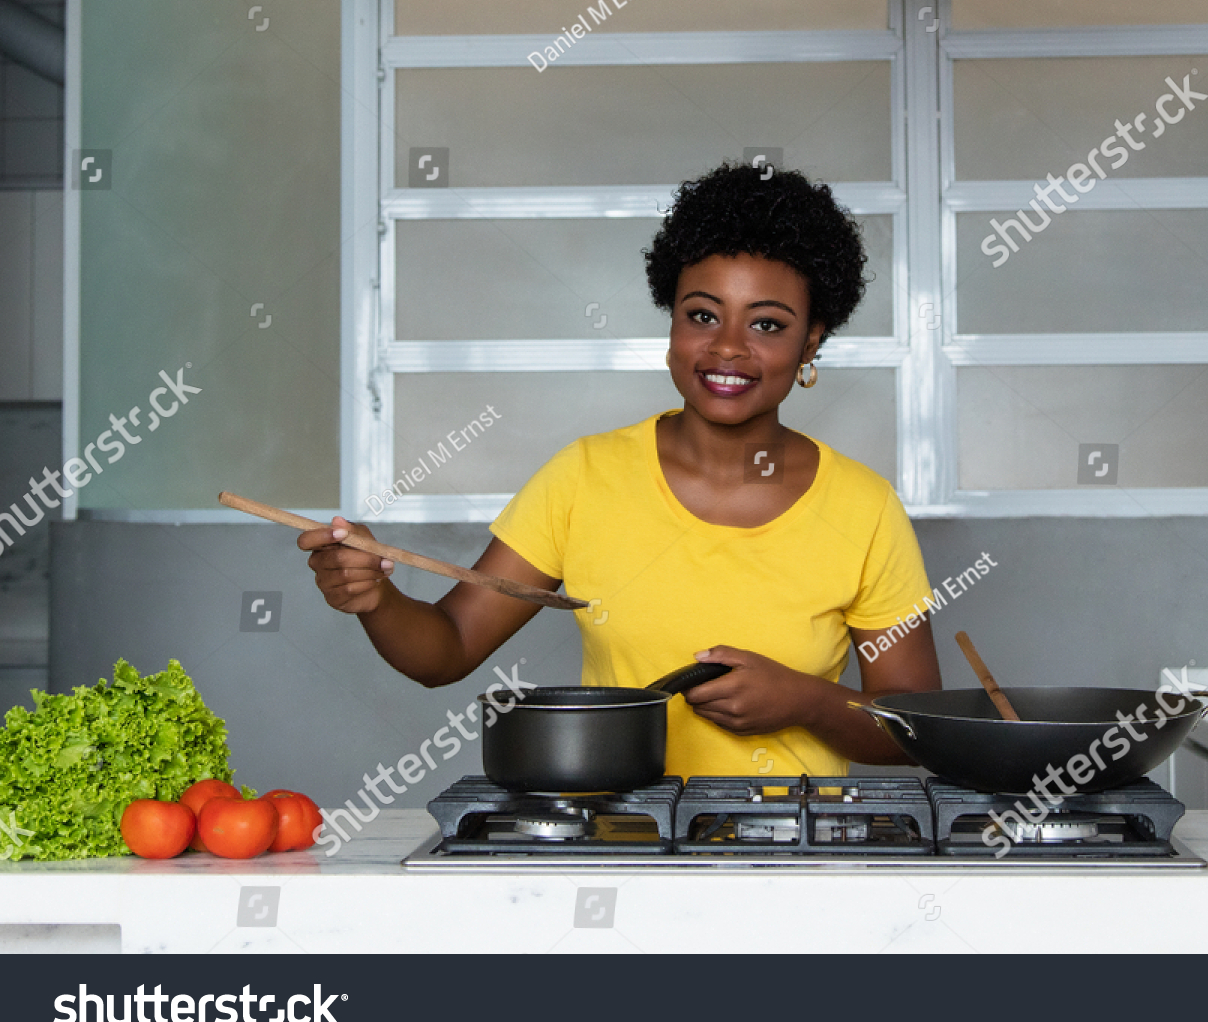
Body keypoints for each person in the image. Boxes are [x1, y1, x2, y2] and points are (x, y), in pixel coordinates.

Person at [300, 162, 942, 777]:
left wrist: (808, 702)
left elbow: (920, 728)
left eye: (767, 324)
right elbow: (447, 649)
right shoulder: (583, 478)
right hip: (621, 853)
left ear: (810, 343)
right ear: (671, 321)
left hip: (794, 857)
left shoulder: (864, 506)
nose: (726, 347)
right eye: (702, 315)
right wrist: (375, 596)